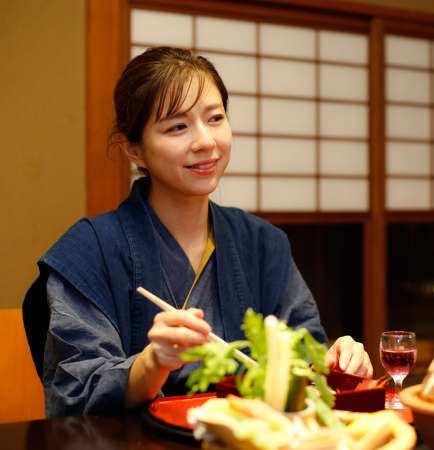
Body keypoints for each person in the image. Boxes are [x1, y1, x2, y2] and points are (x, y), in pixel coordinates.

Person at [23, 46, 373, 418]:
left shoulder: (261, 242)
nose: (206, 141)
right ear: (135, 151)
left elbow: (300, 359)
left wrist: (333, 362)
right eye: (177, 126)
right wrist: (152, 363)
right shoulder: (88, 251)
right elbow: (75, 393)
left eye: (215, 118)